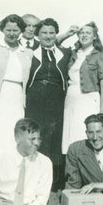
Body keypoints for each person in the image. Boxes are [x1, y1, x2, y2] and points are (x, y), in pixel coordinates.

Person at [25, 18, 72, 192]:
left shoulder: (64, 53)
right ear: (38, 35)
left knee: (55, 138)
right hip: (35, 98)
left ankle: (53, 181)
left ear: (56, 34)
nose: (48, 36)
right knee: (36, 135)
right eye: (44, 33)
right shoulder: (30, 52)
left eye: (52, 33)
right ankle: (33, 178)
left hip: (56, 99)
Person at [0, 14, 33, 155]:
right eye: (8, 30)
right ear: (2, 30)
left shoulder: (27, 52)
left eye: (16, 30)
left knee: (14, 133)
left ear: (21, 31)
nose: (12, 34)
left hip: (17, 97)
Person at [62, 22, 103, 154]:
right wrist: (67, 34)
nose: (84, 35)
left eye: (88, 33)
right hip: (70, 100)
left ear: (94, 37)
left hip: (88, 100)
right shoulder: (71, 54)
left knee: (84, 136)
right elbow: (51, 44)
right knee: (70, 139)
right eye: (81, 32)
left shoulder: (100, 56)